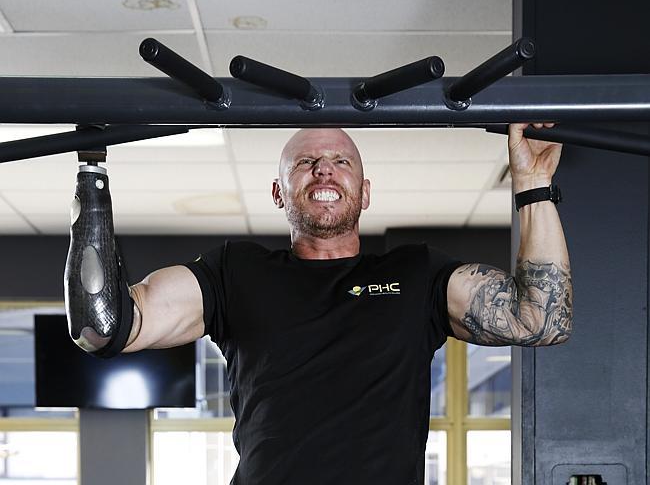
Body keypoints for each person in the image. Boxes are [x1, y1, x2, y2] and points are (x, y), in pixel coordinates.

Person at [88, 124, 575, 484]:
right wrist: (90, 184)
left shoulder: (417, 274)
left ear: (365, 193)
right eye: (305, 162)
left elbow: (541, 318)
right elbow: (110, 324)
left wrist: (532, 183)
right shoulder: (235, 272)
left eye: (341, 161)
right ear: (279, 193)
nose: (323, 168)